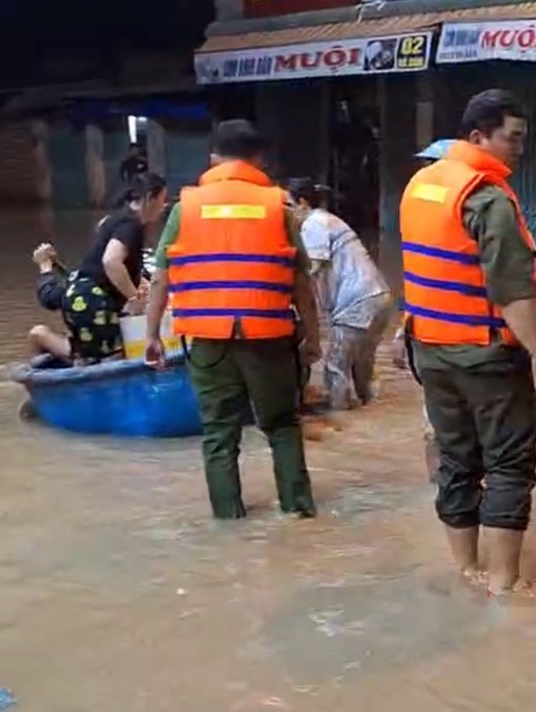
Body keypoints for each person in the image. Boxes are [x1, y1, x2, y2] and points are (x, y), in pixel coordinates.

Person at [399, 89, 536, 596]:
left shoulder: (422, 184)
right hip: (487, 355)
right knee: (510, 464)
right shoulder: (487, 198)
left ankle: (466, 570)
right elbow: (512, 290)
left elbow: (424, 266)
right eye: (512, 138)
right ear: (478, 137)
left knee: (456, 460)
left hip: (430, 350)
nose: (520, 149)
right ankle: (502, 586)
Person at [143, 119, 322, 520]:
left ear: (212, 159)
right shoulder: (279, 207)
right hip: (269, 337)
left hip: (208, 339)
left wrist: (152, 335)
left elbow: (160, 280)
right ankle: (297, 511)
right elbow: (301, 283)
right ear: (258, 159)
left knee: (219, 433)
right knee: (281, 425)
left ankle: (228, 520)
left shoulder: (183, 209)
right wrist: (313, 336)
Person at [28, 172, 167, 364]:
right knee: (104, 358)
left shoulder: (119, 220)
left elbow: (124, 264)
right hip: (93, 301)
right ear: (150, 198)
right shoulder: (131, 225)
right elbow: (111, 261)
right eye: (162, 200)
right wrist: (134, 298)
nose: (163, 207)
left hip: (87, 298)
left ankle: (54, 343)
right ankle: (41, 336)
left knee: (107, 352)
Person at [286, 177, 393, 410]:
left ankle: (339, 413)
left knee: (335, 366)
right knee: (361, 367)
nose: (286, 212)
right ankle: (368, 408)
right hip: (378, 298)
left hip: (356, 303)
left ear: (302, 203)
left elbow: (312, 269)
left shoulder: (314, 224)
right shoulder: (330, 220)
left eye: (288, 206)